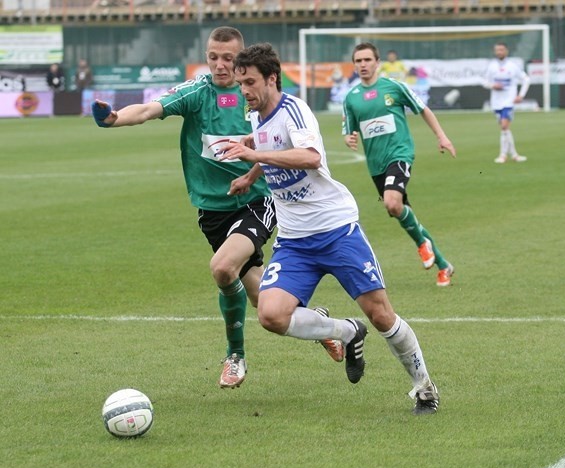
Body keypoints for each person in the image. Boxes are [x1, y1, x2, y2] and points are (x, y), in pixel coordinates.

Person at [221, 42, 440, 415]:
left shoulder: (295, 110)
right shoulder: (256, 115)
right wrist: (251, 174)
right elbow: (266, 143)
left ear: (272, 79)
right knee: (271, 315)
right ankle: (347, 331)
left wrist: (254, 155)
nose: (244, 91)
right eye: (241, 84)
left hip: (336, 229)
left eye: (250, 82)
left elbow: (310, 156)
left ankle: (424, 387)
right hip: (294, 240)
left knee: (382, 314)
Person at [90, 27, 277, 389]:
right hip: (211, 208)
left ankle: (234, 356)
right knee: (262, 299)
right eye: (213, 57)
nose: (221, 65)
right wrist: (114, 119)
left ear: (241, 60)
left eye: (228, 58)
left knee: (223, 270)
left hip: (256, 199)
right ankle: (316, 323)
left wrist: (253, 175)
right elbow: (148, 109)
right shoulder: (196, 92)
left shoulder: (254, 95)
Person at [342, 42, 456, 287]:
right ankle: (444, 264)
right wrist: (349, 137)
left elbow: (423, 109)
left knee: (394, 204)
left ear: (377, 62)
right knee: (403, 213)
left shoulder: (393, 87)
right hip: (376, 165)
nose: (362, 65)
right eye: (358, 61)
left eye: (367, 60)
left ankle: (422, 246)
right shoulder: (351, 98)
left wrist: (442, 136)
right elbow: (348, 128)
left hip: (399, 154)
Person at [484, 42, 530, 164]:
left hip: (509, 101)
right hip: (496, 102)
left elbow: (526, 79)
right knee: (505, 129)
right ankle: (514, 155)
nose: (500, 52)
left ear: (506, 51)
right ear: (495, 52)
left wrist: (521, 95)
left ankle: (502, 155)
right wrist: (493, 85)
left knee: (504, 126)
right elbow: (485, 82)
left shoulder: (512, 66)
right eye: (497, 50)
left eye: (502, 50)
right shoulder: (492, 66)